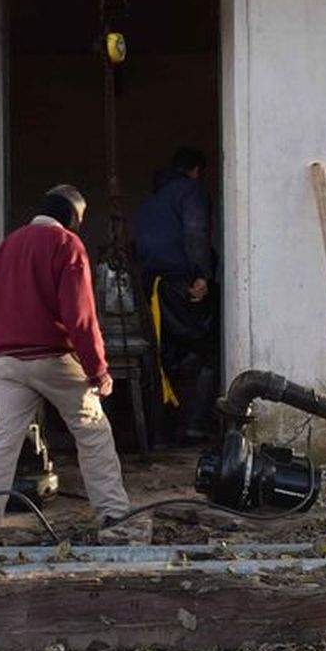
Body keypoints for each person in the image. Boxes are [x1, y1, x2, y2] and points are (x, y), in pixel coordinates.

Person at [0, 184, 147, 546]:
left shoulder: (6, 247)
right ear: (72, 218)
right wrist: (99, 371)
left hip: (10, 362)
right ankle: (113, 517)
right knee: (92, 432)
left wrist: (8, 343)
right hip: (55, 360)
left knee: (3, 446)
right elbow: (80, 317)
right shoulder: (67, 245)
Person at [133, 146, 218, 443]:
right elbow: (196, 232)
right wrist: (202, 276)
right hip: (181, 287)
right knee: (212, 353)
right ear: (196, 170)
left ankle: (162, 434)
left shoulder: (152, 200)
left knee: (162, 360)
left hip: (151, 291)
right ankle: (197, 424)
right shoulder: (191, 191)